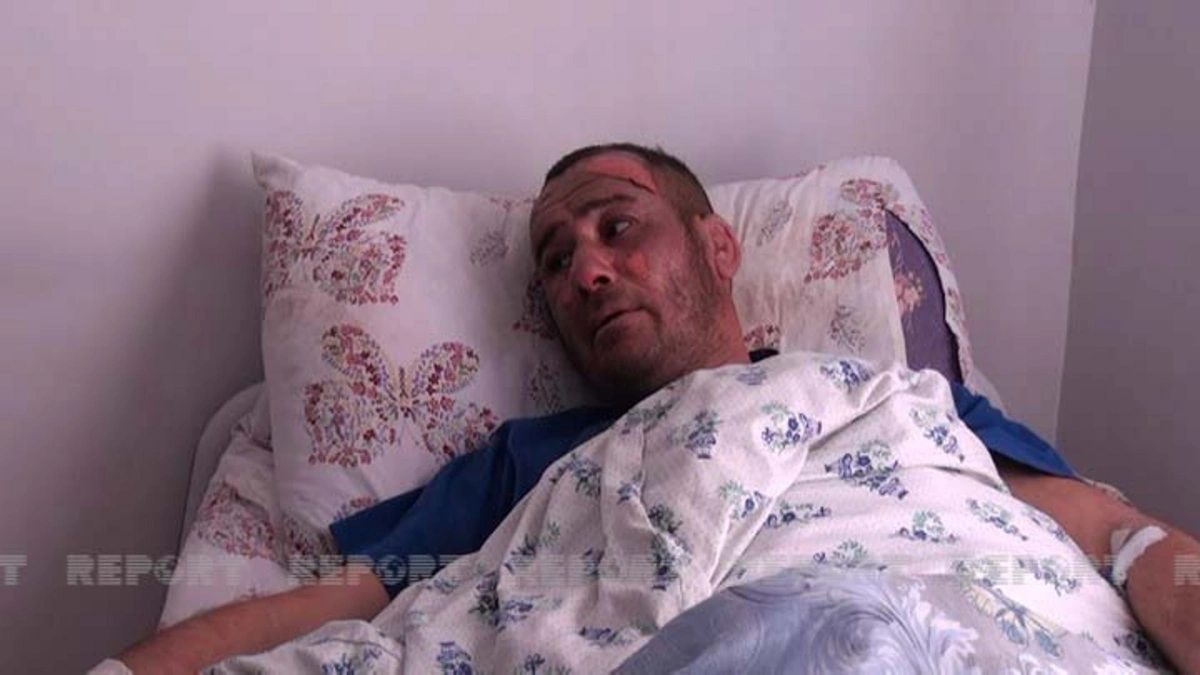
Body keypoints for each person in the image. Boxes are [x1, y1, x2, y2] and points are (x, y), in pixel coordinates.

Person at [110, 143, 1200, 674]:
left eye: (618, 227)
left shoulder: (897, 400)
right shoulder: (530, 462)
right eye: (556, 261)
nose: (585, 270)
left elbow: (1113, 532)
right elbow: (330, 607)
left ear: (718, 247)